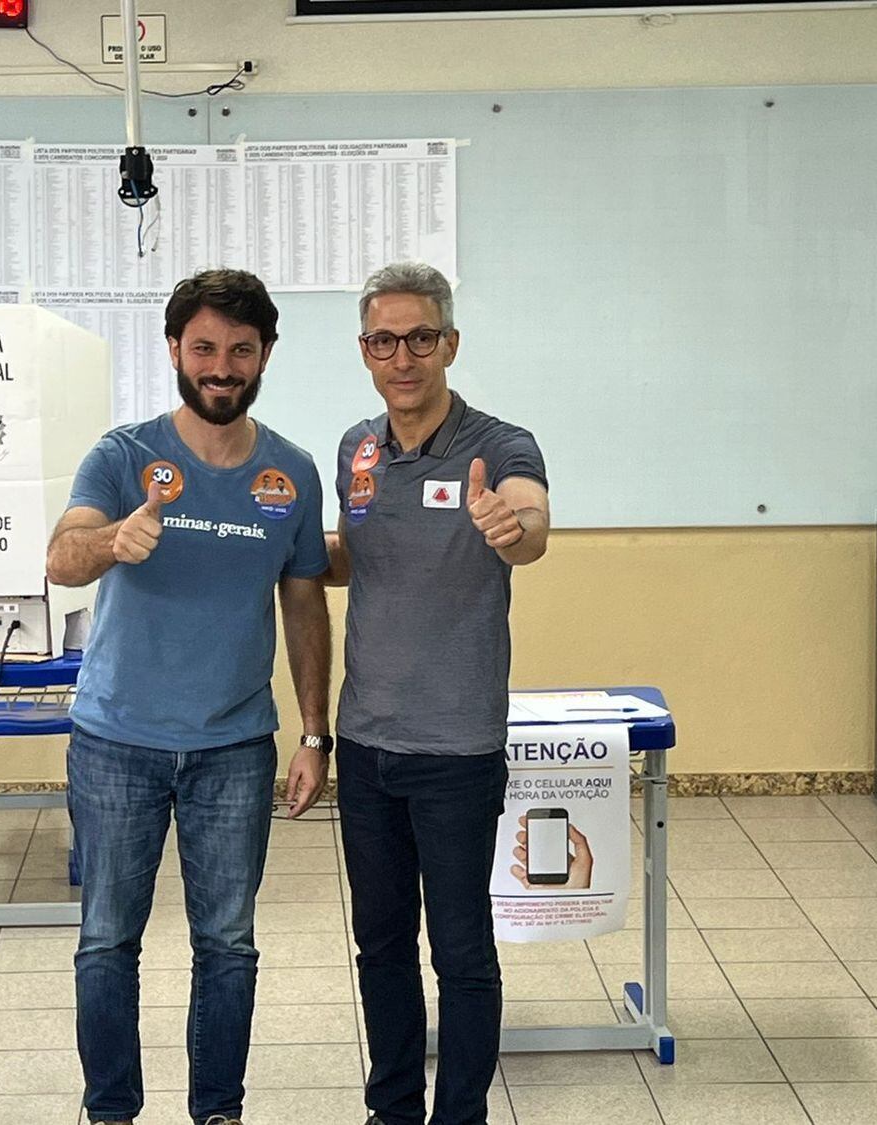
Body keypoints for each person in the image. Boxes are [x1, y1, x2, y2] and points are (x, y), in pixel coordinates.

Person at [45, 268, 334, 1125]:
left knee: (229, 946)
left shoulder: (291, 471)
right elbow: (61, 557)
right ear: (175, 349)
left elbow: (306, 600)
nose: (221, 366)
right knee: (106, 941)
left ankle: (218, 1109)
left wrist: (316, 735)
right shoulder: (123, 455)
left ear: (265, 357)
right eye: (204, 347)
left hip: (235, 746)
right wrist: (111, 540)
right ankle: (111, 1111)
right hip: (116, 742)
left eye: (240, 351)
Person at [323, 261, 550, 1125]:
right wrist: (275, 552)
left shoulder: (501, 443)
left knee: (461, 951)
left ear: (449, 343)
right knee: (380, 944)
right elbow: (355, 556)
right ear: (366, 351)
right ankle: (392, 1109)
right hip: (368, 741)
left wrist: (513, 526)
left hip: (456, 749)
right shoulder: (358, 448)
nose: (404, 357)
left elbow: (529, 524)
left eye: (422, 337)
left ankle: (461, 1115)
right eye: (385, 340)